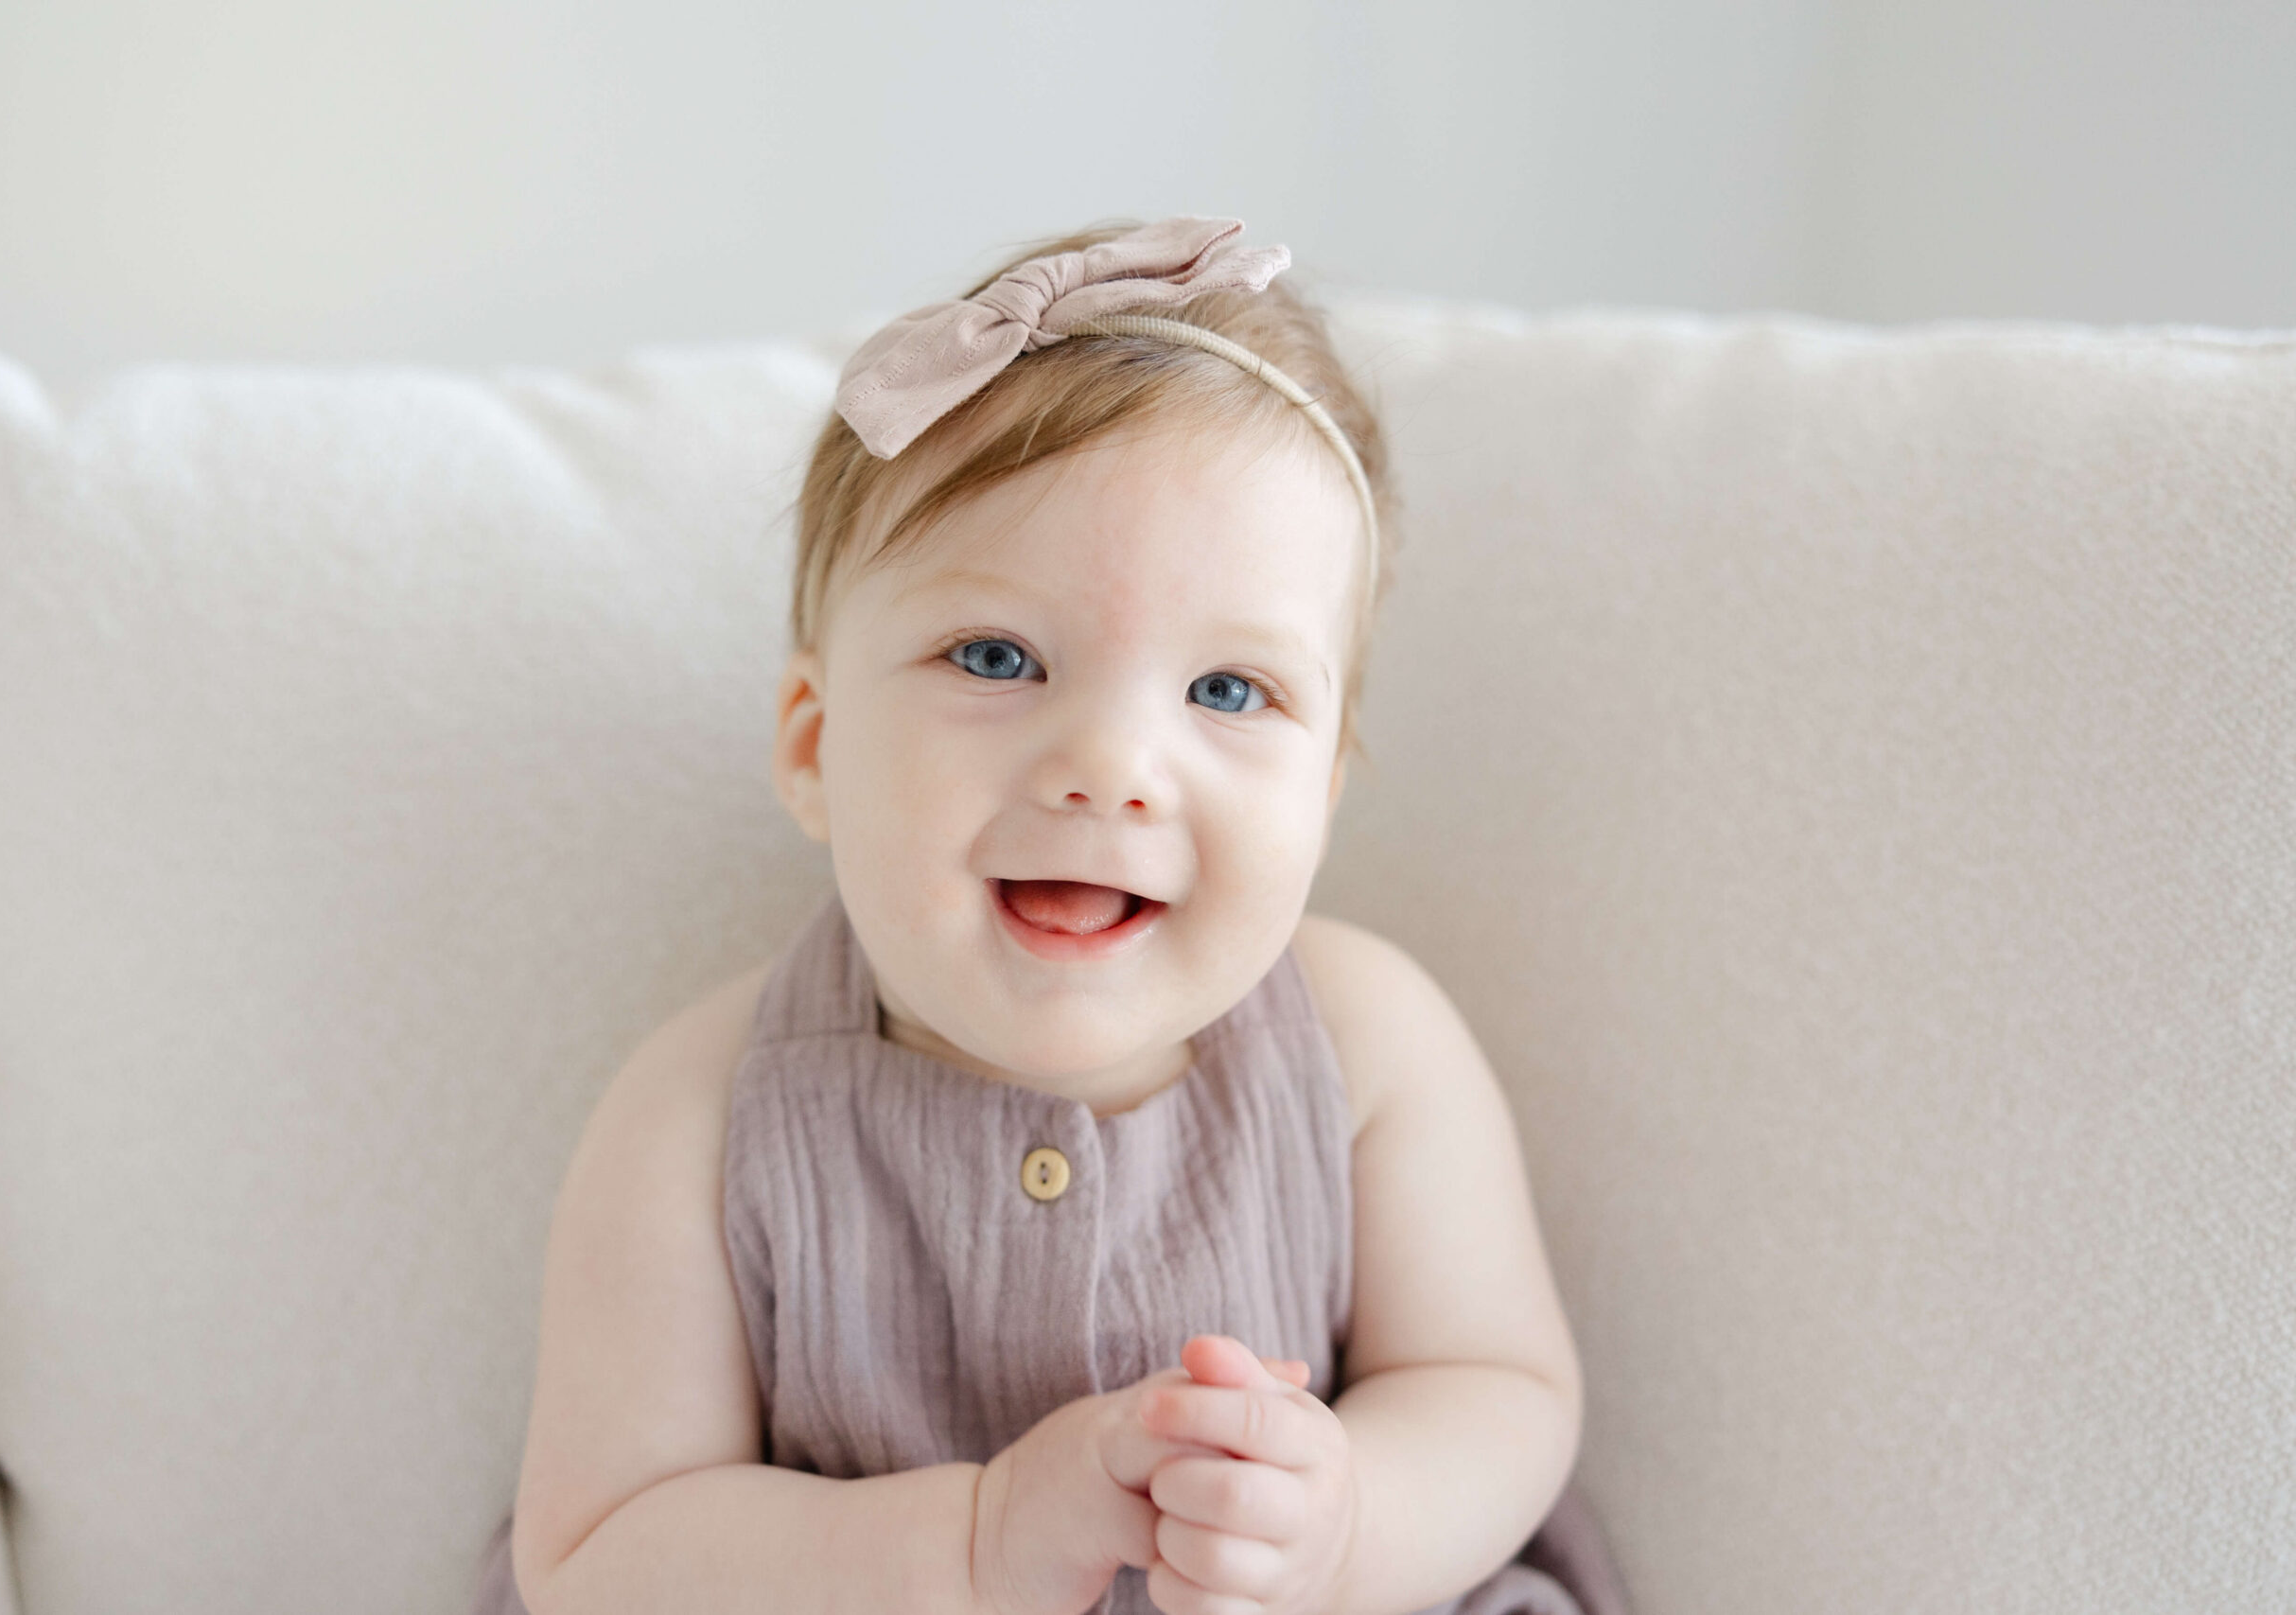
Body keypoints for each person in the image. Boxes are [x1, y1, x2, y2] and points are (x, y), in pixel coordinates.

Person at [470, 217, 1630, 1615]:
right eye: (999, 658)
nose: (1111, 769)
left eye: (1226, 692)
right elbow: (600, 1550)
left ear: (1324, 786)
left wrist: (1346, 1527)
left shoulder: (1370, 1047)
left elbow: (1498, 1388)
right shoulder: (699, 1117)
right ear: (810, 744)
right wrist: (972, 1546)